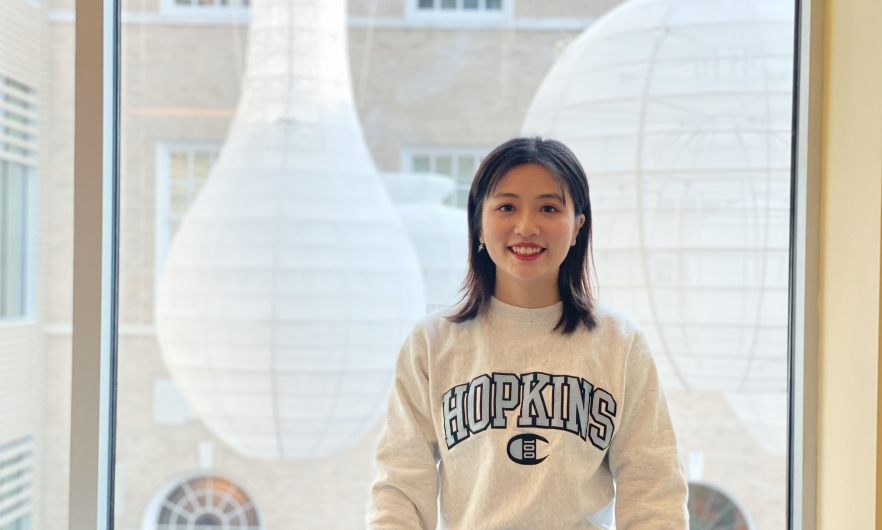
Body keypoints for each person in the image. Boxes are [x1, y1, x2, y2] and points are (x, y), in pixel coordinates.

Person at [367, 137, 688, 529]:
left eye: (548, 208)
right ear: (478, 224)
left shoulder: (619, 343)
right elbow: (400, 487)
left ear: (577, 226)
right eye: (506, 207)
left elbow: (653, 490)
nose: (526, 227)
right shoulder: (432, 343)